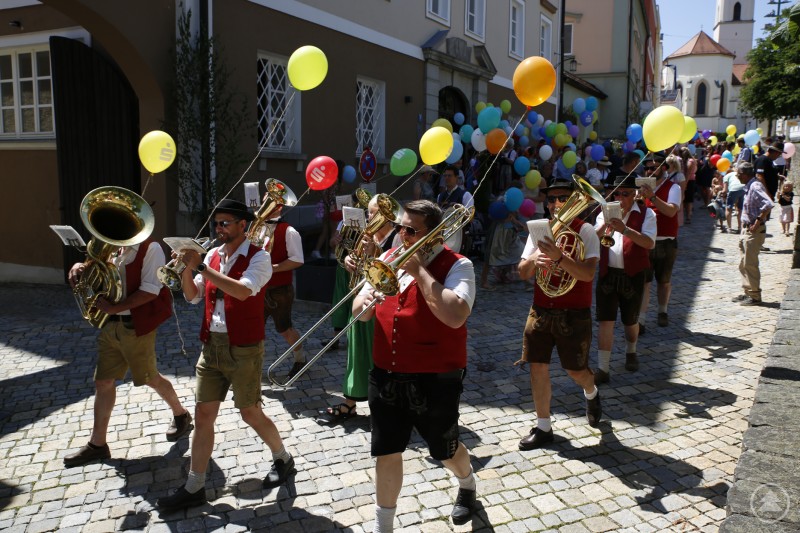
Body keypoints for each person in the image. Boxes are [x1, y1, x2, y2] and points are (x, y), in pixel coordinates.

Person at [158, 199, 295, 510]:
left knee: (250, 413)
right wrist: (182, 270)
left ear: (242, 225)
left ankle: (283, 458)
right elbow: (193, 297)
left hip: (244, 347)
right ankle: (194, 487)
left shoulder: (259, 258)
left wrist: (200, 266)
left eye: (225, 223)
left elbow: (243, 291)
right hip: (211, 346)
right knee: (204, 415)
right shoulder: (213, 256)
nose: (219, 229)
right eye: (216, 224)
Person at [353, 200, 478, 530]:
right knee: (386, 450)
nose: (402, 234)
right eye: (400, 227)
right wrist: (364, 303)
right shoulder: (386, 259)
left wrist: (419, 271)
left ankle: (466, 483)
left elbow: (454, 315)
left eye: (411, 230)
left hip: (435, 377)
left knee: (445, 450)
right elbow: (358, 310)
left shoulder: (458, 266)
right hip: (386, 374)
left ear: (434, 234)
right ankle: (384, 526)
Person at [64, 241, 193, 467]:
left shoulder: (150, 249)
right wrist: (79, 266)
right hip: (110, 324)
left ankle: (181, 414)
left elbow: (151, 290)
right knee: (103, 382)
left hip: (136, 326)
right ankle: (97, 444)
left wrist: (116, 307)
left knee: (149, 378)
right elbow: (95, 270)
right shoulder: (111, 247)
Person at [516, 178, 602, 450]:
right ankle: (543, 427)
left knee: (575, 371)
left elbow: (588, 274)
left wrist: (559, 258)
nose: (555, 205)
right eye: (551, 200)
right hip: (541, 310)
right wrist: (533, 261)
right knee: (537, 366)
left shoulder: (586, 231)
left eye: (562, 198)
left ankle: (591, 390)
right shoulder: (539, 231)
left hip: (573, 314)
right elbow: (522, 272)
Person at [318, 196, 399, 424]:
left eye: (373, 214)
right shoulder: (366, 238)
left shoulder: (396, 241)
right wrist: (351, 260)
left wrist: (373, 250)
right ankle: (351, 401)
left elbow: (390, 274)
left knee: (379, 356)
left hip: (381, 306)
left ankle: (384, 402)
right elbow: (355, 263)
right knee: (357, 353)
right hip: (361, 302)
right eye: (369, 214)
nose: (368, 218)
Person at [593, 175, 656, 384]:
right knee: (605, 321)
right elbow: (593, 239)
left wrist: (625, 229)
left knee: (630, 322)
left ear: (634, 194)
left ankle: (631, 350)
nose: (619, 197)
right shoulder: (604, 213)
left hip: (633, 275)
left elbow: (649, 243)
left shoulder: (647, 214)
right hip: (607, 274)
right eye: (616, 193)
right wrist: (606, 225)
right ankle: (603, 368)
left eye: (625, 193)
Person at [260, 201, 306, 379]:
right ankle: (252, 367)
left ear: (279, 207)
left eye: (268, 203)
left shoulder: (289, 231)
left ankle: (300, 359)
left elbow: (298, 260)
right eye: (263, 202)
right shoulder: (258, 228)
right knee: (255, 329)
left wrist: (273, 268)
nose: (263, 206)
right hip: (259, 289)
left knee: (285, 329)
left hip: (280, 290)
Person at [637, 152, 681, 330]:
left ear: (664, 168)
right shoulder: (642, 188)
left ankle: (662, 310)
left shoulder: (673, 188)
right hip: (646, 240)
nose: (649, 171)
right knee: (645, 282)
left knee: (663, 281)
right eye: (647, 168)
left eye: (654, 168)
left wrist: (653, 197)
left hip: (666, 241)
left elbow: (671, 211)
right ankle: (641, 319)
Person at [732, 163, 774, 306]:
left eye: (738, 173)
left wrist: (757, 221)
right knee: (743, 263)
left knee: (750, 264)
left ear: (745, 173)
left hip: (753, 230)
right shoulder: (749, 186)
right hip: (746, 229)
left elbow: (768, 204)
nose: (737, 176)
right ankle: (748, 292)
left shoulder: (755, 186)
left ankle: (755, 295)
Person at [722, 164, 747, 234]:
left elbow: (725, 190)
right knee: (740, 209)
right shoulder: (736, 173)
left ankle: (729, 228)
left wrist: (721, 193)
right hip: (743, 188)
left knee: (728, 208)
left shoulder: (726, 176)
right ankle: (740, 228)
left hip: (733, 189)